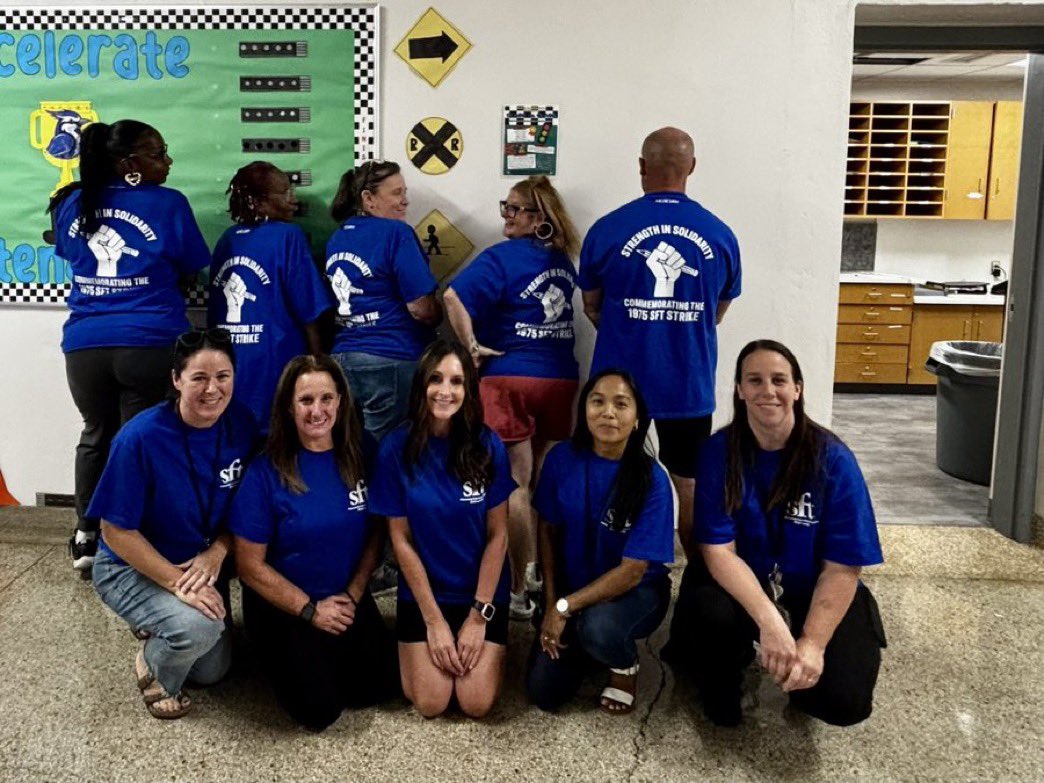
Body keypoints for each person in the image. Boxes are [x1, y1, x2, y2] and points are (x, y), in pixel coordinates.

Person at [664, 340, 887, 727]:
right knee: (708, 623)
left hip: (811, 587)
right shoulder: (719, 452)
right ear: (739, 390)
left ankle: (804, 664)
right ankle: (728, 672)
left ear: (797, 389)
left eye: (779, 380)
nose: (768, 390)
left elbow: (843, 567)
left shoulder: (833, 460)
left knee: (842, 701)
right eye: (755, 380)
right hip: (739, 585)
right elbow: (718, 551)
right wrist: (770, 623)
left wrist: (812, 644)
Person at [47, 120, 211, 575]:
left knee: (96, 434)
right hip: (149, 342)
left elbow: (69, 253)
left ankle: (86, 536)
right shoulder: (168, 204)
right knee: (139, 442)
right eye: (158, 153)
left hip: (85, 345)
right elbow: (195, 266)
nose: (167, 161)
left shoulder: (72, 203)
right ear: (130, 164)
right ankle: (133, 542)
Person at [578, 126, 741, 559]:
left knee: (609, 473)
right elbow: (717, 312)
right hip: (687, 382)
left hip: (618, 387)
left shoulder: (608, 229)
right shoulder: (720, 234)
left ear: (641, 167)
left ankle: (607, 569)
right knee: (689, 482)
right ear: (692, 166)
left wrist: (631, 328)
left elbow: (592, 307)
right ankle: (699, 580)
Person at [89, 328, 259, 719]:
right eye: (199, 377)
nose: (212, 389)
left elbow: (250, 506)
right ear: (176, 380)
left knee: (212, 672)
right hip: (130, 565)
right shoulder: (140, 438)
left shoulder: (242, 424)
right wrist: (176, 583)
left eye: (223, 376)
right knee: (198, 630)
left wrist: (218, 551)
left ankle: (163, 623)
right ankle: (154, 669)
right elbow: (115, 531)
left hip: (200, 561)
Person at [230, 355, 400, 730]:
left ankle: (322, 652)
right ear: (289, 407)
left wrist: (355, 594)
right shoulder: (266, 470)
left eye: (326, 399)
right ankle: (285, 652)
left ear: (341, 400)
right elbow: (248, 565)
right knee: (320, 710)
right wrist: (310, 610)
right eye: (306, 401)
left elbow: (376, 530)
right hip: (285, 603)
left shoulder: (363, 451)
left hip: (343, 595)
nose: (317, 411)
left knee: (381, 688)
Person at [443, 176, 582, 621]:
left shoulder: (501, 258)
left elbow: (451, 296)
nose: (506, 215)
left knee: (516, 487)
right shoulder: (562, 260)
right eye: (506, 207)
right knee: (546, 486)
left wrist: (470, 347)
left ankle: (519, 588)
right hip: (560, 379)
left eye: (515, 209)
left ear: (540, 218)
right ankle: (544, 573)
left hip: (508, 379)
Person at [369, 340, 516, 718]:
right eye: (436, 379)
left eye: (456, 381)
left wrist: (477, 617)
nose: (445, 391)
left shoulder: (488, 445)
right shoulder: (395, 449)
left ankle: (486, 642)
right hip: (425, 592)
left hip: (480, 590)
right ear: (421, 385)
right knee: (431, 703)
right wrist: (433, 621)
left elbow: (499, 535)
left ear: (469, 390)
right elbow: (400, 540)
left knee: (476, 703)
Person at [525, 370, 674, 715]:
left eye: (621, 404)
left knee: (600, 628)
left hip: (635, 594)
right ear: (585, 411)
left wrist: (565, 607)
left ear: (637, 419)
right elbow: (547, 530)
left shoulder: (653, 480)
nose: (608, 412)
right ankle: (587, 644)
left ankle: (624, 666)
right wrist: (550, 603)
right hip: (571, 589)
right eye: (598, 401)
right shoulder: (561, 459)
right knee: (543, 693)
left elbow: (633, 571)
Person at [208, 162, 332, 431]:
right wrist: (320, 362)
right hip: (277, 364)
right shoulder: (288, 236)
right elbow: (309, 309)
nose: (293, 201)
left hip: (230, 366)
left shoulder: (227, 240)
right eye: (286, 193)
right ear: (259, 203)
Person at [325, 160, 441, 441]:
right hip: (391, 356)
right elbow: (420, 308)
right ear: (368, 199)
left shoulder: (337, 238)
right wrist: (439, 317)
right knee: (387, 451)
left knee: (349, 447)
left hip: (341, 359)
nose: (405, 201)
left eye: (405, 192)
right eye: (396, 193)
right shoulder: (396, 233)